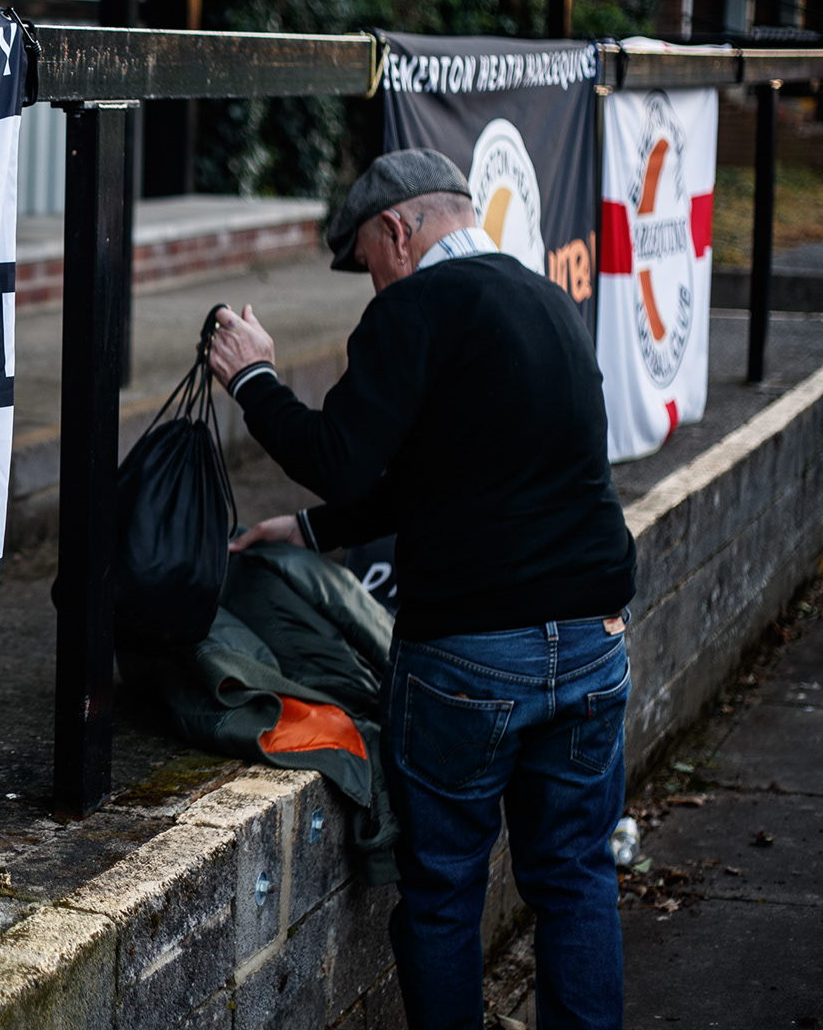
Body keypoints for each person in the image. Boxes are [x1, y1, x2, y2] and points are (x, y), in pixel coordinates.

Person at [205, 149, 635, 1030]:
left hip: (474, 652)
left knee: (442, 896)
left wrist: (252, 378)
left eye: (367, 260)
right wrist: (316, 530)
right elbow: (439, 471)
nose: (373, 285)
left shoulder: (417, 308)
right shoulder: (546, 300)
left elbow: (338, 455)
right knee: (577, 879)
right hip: (594, 639)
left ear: (397, 231)